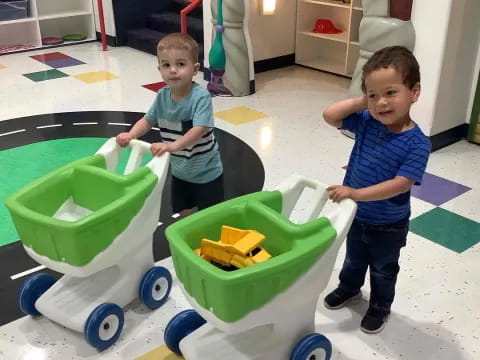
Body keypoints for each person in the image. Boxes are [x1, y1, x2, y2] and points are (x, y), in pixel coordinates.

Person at [322, 46, 431, 334]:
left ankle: (380, 306)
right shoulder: (369, 121)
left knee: (383, 269)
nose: (381, 102)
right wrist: (364, 102)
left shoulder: (418, 143)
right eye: (374, 95)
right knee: (354, 258)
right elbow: (329, 115)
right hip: (357, 215)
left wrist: (356, 194)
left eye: (390, 93)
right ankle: (349, 288)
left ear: (414, 92)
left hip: (388, 224)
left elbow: (401, 183)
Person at [116, 33, 224, 217]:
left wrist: (171, 146)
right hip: (180, 172)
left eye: (180, 64)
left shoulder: (200, 97)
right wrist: (131, 134)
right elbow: (147, 120)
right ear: (160, 69)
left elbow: (199, 130)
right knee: (183, 211)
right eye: (166, 65)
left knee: (210, 215)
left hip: (207, 172)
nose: (173, 70)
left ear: (195, 69)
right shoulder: (161, 96)